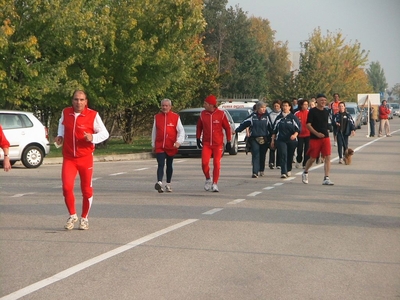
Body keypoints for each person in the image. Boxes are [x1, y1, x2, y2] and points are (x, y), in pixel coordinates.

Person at [55, 90, 109, 230]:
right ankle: (73, 215)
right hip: (69, 158)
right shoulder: (66, 112)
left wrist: (93, 138)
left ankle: (84, 218)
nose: (78, 102)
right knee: (66, 187)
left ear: (86, 101)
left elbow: (105, 133)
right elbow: (62, 125)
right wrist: (60, 136)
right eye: (76, 99)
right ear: (72, 100)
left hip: (85, 158)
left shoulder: (93, 115)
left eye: (81, 100)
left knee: (86, 190)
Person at [196, 95, 232, 192]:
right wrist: (198, 138)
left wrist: (229, 141)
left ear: (211, 105)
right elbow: (199, 126)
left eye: (205, 104)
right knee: (204, 163)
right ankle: (208, 179)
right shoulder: (202, 114)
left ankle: (215, 183)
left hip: (218, 144)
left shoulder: (221, 114)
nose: (204, 105)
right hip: (207, 143)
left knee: (216, 163)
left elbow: (227, 128)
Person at [151, 99, 185, 193]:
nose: (164, 107)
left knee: (169, 164)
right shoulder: (157, 117)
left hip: (171, 146)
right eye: (163, 106)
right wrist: (153, 144)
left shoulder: (175, 117)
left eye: (166, 106)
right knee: (161, 164)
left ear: (170, 107)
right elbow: (154, 132)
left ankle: (168, 184)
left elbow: (181, 131)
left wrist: (179, 142)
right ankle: (159, 183)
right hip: (160, 145)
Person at [302, 93, 334, 185]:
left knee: (328, 156)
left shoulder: (326, 111)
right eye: (321, 100)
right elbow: (308, 125)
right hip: (314, 138)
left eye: (324, 100)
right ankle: (305, 172)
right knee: (312, 158)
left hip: (325, 137)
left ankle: (326, 177)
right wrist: (316, 133)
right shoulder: (312, 111)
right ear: (317, 101)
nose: (323, 102)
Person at [235, 101, 272, 178]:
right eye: (262, 107)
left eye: (265, 108)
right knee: (255, 154)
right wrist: (236, 131)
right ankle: (255, 172)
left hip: (264, 138)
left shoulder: (267, 117)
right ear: (258, 108)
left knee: (262, 155)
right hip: (254, 138)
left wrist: (272, 138)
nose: (263, 109)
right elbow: (244, 124)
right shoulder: (253, 117)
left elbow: (271, 128)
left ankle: (261, 169)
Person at [271, 100, 301, 178]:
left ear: (289, 107)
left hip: (291, 140)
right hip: (281, 139)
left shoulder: (293, 117)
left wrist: (295, 135)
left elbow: (298, 128)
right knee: (283, 154)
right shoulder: (279, 118)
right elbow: (274, 130)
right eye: (283, 106)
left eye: (286, 106)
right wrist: (272, 140)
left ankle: (288, 169)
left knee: (290, 155)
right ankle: (283, 172)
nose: (284, 107)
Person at [294, 99, 310, 169]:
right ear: (301, 105)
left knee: (307, 149)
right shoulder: (297, 113)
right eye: (304, 104)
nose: (306, 106)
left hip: (308, 134)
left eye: (307, 105)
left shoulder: (310, 113)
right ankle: (299, 159)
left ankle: (305, 163)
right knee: (300, 149)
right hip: (300, 135)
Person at [268, 100, 281, 169]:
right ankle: (271, 162)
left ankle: (278, 164)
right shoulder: (270, 114)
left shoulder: (282, 114)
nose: (276, 107)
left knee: (279, 148)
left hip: (279, 133)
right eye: (275, 106)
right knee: (272, 147)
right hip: (271, 133)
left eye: (277, 106)